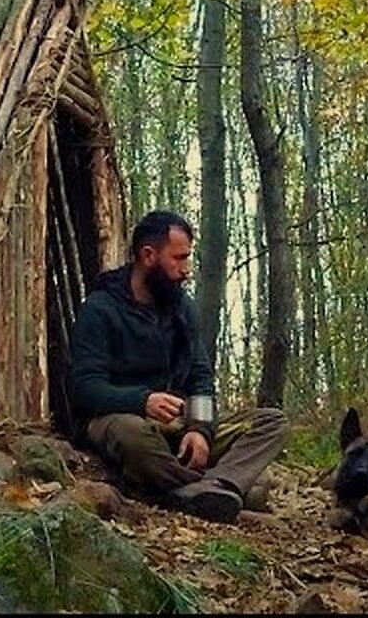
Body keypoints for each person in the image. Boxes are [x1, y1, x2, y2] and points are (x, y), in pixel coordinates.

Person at [68, 210, 289, 524]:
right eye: (179, 259)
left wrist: (200, 429)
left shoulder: (182, 308)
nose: (186, 270)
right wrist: (142, 400)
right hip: (125, 421)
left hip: (179, 428)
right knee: (132, 433)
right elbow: (84, 387)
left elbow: (201, 378)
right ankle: (210, 488)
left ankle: (213, 486)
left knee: (271, 422)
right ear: (148, 255)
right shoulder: (101, 309)